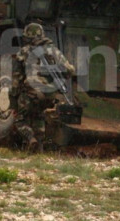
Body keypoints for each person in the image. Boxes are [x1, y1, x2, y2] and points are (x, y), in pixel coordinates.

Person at [11, 23, 76, 152]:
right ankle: (38, 149)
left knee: (19, 120)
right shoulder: (54, 51)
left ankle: (31, 139)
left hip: (31, 93)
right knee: (39, 117)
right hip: (50, 94)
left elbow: (16, 79)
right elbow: (70, 70)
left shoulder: (24, 51)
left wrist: (13, 98)